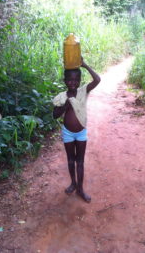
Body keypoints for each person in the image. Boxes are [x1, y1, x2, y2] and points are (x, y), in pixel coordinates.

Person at [53, 58, 101, 203]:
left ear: (79, 81)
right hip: (67, 133)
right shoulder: (61, 97)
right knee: (70, 160)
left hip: (81, 133)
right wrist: (65, 106)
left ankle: (80, 188)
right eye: (69, 80)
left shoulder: (83, 91)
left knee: (80, 162)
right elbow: (55, 115)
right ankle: (73, 183)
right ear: (64, 81)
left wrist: (85, 65)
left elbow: (97, 80)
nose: (72, 83)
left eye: (76, 80)